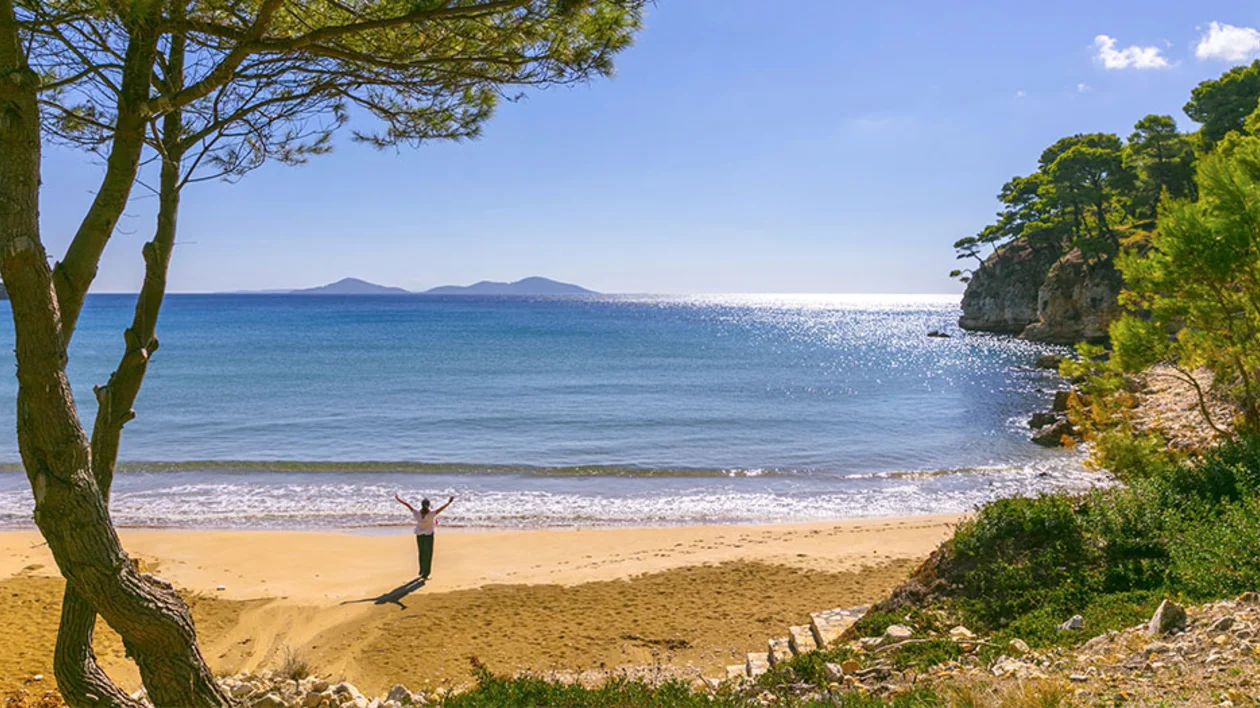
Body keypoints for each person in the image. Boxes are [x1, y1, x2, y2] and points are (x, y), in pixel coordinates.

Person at [394, 493, 454, 579]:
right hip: (428, 536)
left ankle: (421, 570)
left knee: (421, 553)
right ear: (429, 505)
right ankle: (426, 574)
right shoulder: (431, 514)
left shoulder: (417, 513)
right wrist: (449, 503)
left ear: (421, 505)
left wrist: (398, 499)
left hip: (419, 535)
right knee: (428, 554)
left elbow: (408, 505)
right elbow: (441, 509)